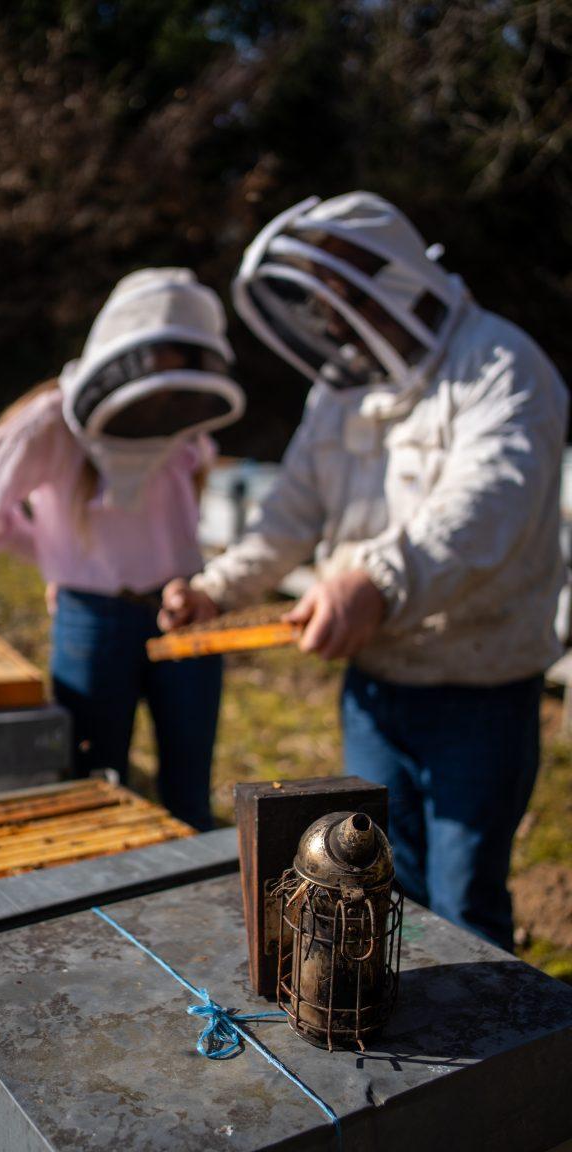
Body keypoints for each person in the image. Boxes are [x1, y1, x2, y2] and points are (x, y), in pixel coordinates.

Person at [159, 192, 568, 949]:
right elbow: (290, 512)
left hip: (479, 691)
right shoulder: (340, 391)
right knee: (379, 885)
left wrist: (377, 579)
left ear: (397, 277)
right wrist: (218, 588)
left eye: (343, 293)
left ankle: (490, 1024)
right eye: (323, 301)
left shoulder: (501, 365)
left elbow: (485, 506)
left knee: (466, 899)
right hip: (374, 688)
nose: (335, 319)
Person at [0, 268, 245, 831]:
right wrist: (54, 555)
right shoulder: (53, 418)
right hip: (94, 619)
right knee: (97, 792)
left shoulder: (186, 409)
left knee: (189, 794)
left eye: (181, 355)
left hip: (185, 609)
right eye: (157, 353)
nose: (167, 370)